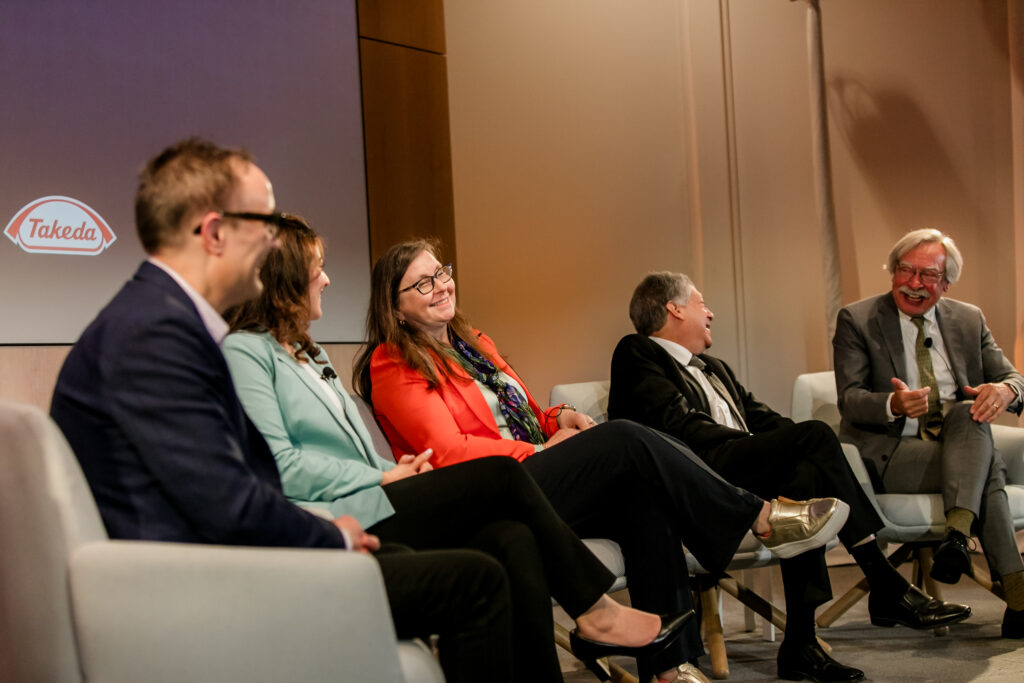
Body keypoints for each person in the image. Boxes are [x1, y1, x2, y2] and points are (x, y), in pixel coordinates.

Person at [52, 138, 561, 683]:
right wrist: (335, 536)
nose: (276, 244)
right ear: (215, 233)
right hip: (201, 586)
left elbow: (232, 486)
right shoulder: (157, 334)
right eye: (266, 223)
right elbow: (229, 503)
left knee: (493, 549)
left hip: (217, 560)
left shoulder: (161, 320)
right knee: (474, 581)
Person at [220, 215, 690, 682]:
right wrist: (381, 476)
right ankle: (595, 609)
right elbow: (279, 465)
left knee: (512, 536)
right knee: (511, 473)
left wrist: (393, 467)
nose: (326, 278)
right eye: (315, 269)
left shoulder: (309, 352)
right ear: (284, 281)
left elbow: (354, 452)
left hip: (376, 492)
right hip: (342, 512)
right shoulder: (246, 352)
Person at [355, 239, 849, 683]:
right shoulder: (392, 363)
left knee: (643, 495)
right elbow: (448, 450)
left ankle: (670, 668)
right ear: (394, 308)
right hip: (491, 488)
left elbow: (519, 412)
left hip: (532, 471)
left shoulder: (475, 345)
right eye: (421, 283)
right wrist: (541, 451)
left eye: (441, 272)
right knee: (626, 439)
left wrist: (559, 417)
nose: (441, 286)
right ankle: (759, 516)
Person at [608, 271, 972, 682]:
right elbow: (680, 427)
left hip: (737, 470)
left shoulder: (716, 368)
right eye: (700, 303)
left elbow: (769, 421)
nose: (710, 312)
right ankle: (882, 578)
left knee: (804, 476)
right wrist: (790, 443)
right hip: (694, 475)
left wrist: (802, 449)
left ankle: (801, 643)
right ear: (674, 309)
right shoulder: (637, 352)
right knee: (813, 437)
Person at [833, 228, 1024, 639]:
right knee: (986, 463)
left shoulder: (968, 319)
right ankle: (1016, 594)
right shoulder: (858, 319)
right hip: (891, 452)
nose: (915, 284)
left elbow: (1010, 375)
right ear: (893, 273)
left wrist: (1006, 389)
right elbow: (850, 399)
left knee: (965, 417)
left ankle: (958, 537)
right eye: (906, 271)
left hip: (959, 446)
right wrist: (893, 404)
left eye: (929, 276)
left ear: (946, 283)